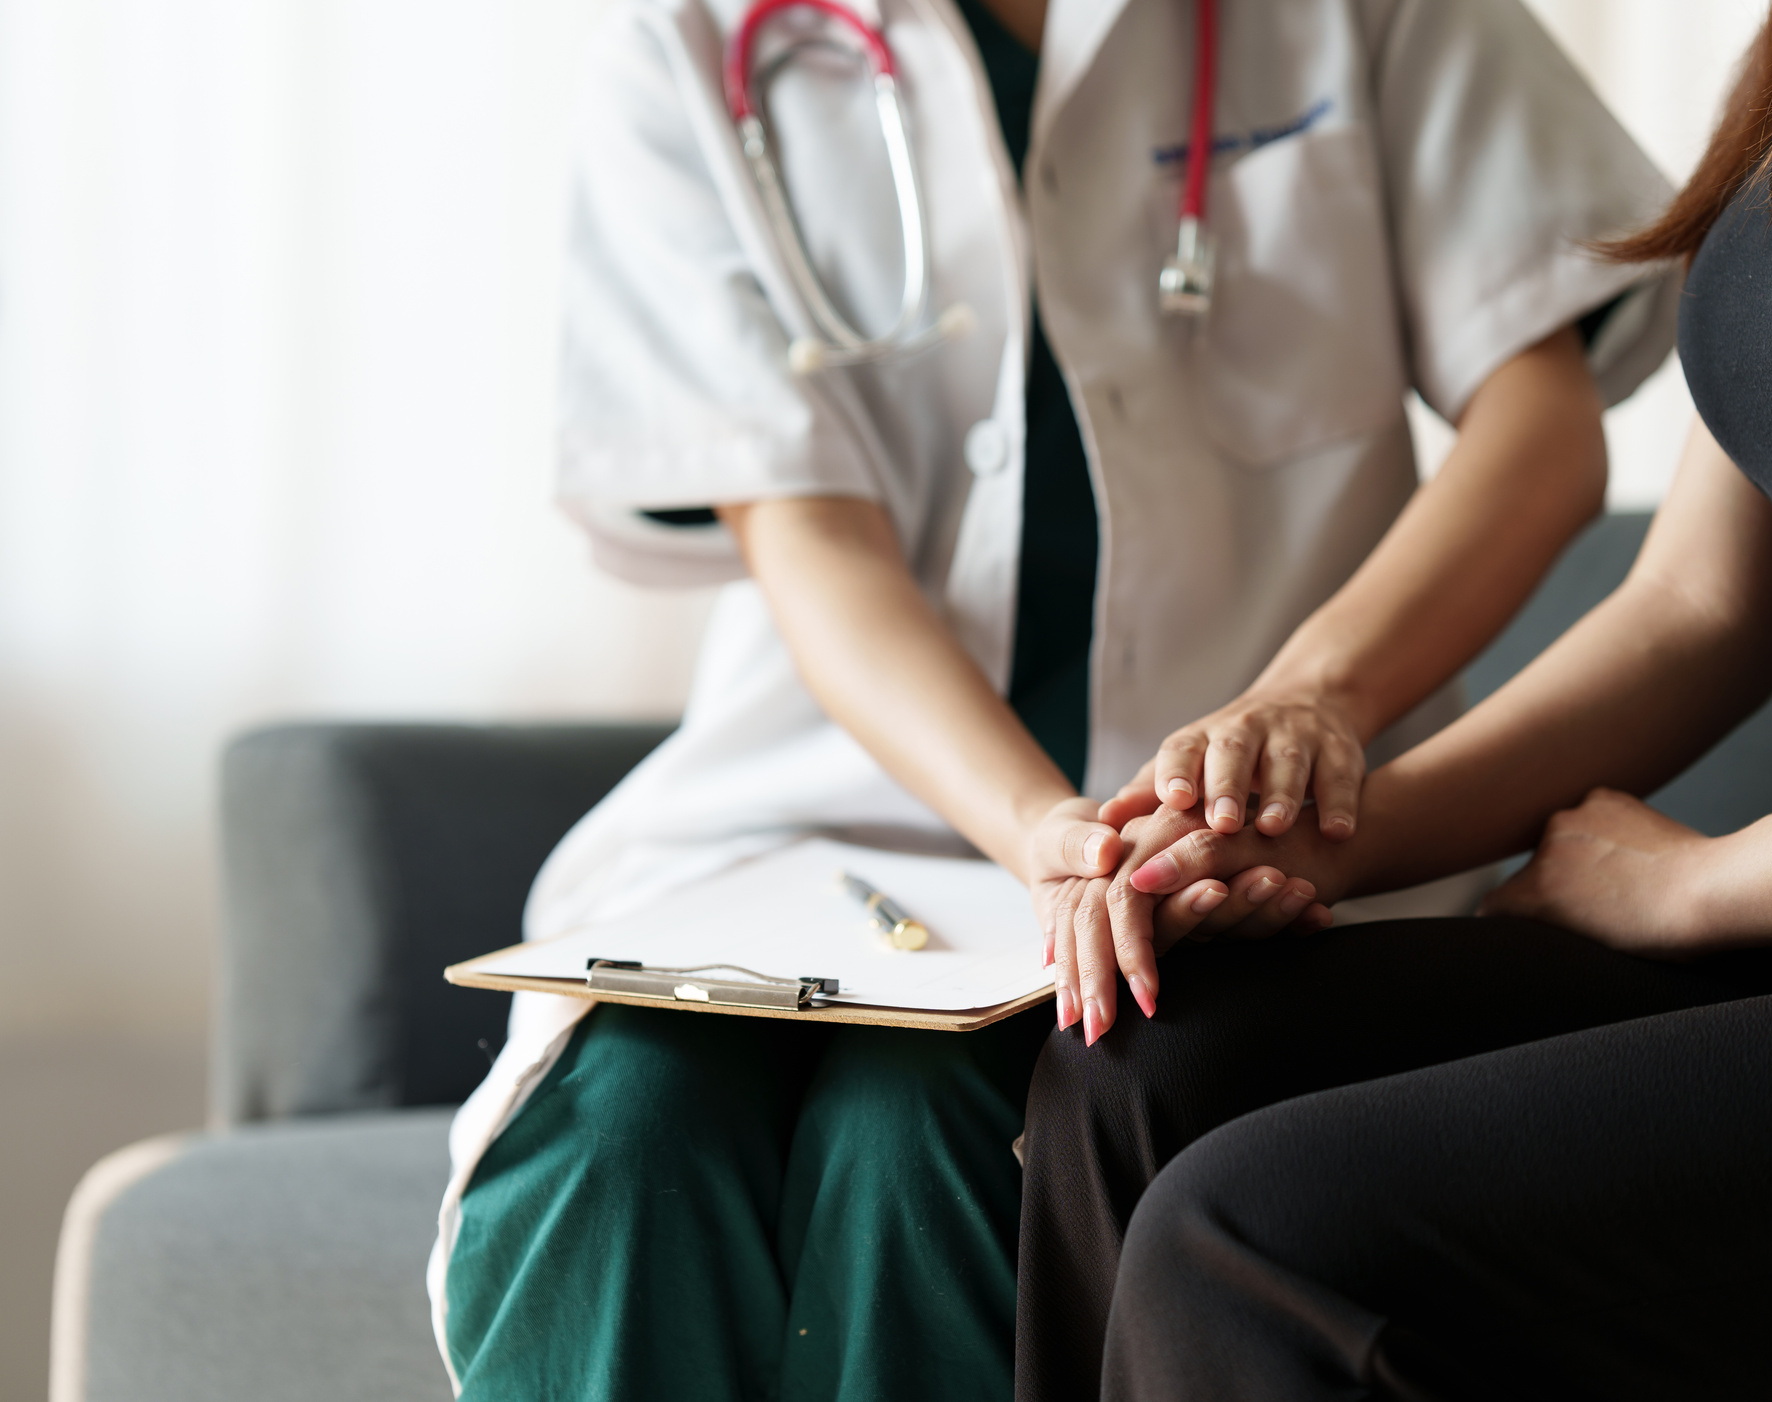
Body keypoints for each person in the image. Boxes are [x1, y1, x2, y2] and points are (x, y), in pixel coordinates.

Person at [426, 0, 1685, 1397]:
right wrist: (1046, 831)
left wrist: (1313, 698)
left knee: (929, 1134)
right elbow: (810, 540)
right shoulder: (692, 37)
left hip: (1238, 838)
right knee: (621, 1132)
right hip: (827, 825)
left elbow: (1541, 425)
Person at [1018, 0, 1772, 1397]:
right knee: (1139, 1072)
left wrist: (1699, 885)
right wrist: (1330, 836)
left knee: (1254, 1242)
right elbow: (1696, 611)